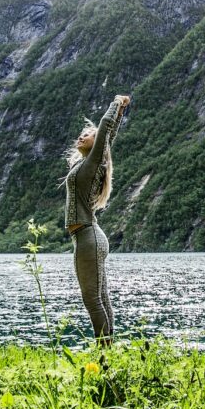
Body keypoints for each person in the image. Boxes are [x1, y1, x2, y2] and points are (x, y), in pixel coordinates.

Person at [62, 94, 130, 344]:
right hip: (88, 236)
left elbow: (106, 130)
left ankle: (104, 355)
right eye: (81, 134)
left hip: (88, 236)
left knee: (92, 298)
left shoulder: (93, 162)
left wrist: (117, 103)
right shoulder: (86, 165)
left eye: (87, 135)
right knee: (100, 297)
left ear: (95, 144)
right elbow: (108, 135)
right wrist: (121, 112)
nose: (81, 136)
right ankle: (109, 352)